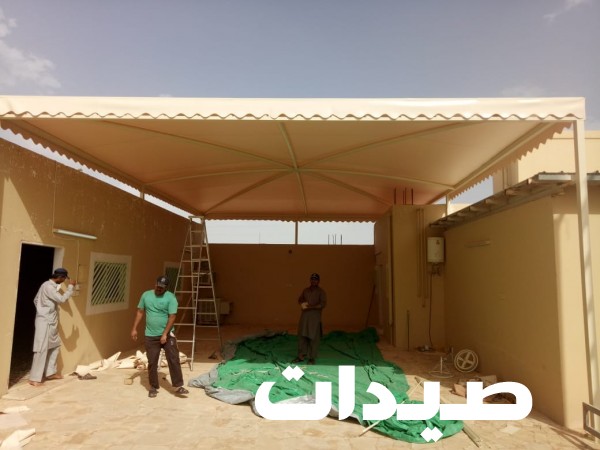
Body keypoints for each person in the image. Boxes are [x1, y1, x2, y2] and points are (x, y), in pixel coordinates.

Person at [131, 275, 189, 398]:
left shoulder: (170, 297)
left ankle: (178, 386)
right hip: (150, 335)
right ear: (155, 283)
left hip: (167, 335)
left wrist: (164, 334)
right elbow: (140, 312)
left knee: (173, 359)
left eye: (162, 287)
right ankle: (153, 387)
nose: (159, 288)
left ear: (166, 287)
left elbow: (172, 316)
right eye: (158, 286)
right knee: (152, 361)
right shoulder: (146, 295)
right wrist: (134, 328)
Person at [29, 267, 77, 387]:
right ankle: (34, 378)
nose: (64, 281)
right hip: (45, 322)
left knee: (55, 345)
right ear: (60, 277)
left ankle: (50, 373)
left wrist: (44, 309)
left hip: (51, 321)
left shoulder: (46, 285)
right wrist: (71, 287)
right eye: (64, 279)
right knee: (41, 349)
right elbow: (62, 299)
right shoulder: (49, 287)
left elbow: (36, 300)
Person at [293, 273, 327, 365]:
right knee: (302, 336)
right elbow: (300, 299)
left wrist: (311, 307)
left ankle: (312, 358)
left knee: (313, 337)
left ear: (318, 281)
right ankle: (301, 356)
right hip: (304, 317)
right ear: (310, 280)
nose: (314, 281)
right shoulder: (306, 290)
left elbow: (322, 304)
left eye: (315, 279)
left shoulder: (321, 292)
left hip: (315, 318)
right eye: (312, 279)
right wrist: (302, 303)